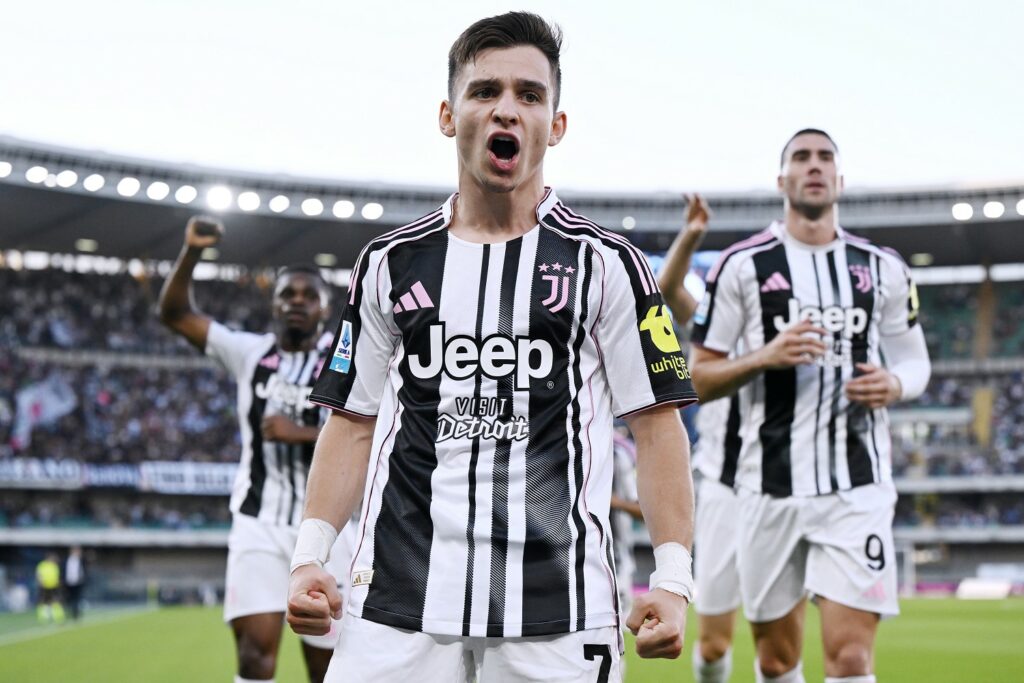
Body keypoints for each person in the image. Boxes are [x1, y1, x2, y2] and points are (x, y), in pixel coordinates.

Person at [286, 12, 699, 683]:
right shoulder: (389, 262)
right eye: (485, 91)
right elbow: (352, 422)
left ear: (555, 125)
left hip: (559, 610)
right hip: (396, 604)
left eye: (529, 95)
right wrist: (310, 555)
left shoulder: (608, 265)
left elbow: (657, 428)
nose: (507, 108)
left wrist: (674, 579)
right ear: (448, 116)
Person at [689, 129, 932, 683]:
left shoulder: (882, 268)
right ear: (782, 180)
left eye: (825, 158)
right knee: (777, 661)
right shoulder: (741, 266)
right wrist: (764, 357)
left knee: (850, 659)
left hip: (857, 487)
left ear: (840, 180)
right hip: (766, 489)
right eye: (801, 157)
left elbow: (915, 362)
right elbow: (696, 379)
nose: (814, 166)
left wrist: (895, 385)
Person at [158, 220, 355, 683]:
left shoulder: (347, 358)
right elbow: (175, 313)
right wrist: (191, 252)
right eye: (288, 294)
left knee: (328, 667)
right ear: (274, 304)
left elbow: (368, 434)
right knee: (253, 657)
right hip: (258, 523)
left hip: (329, 530)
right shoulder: (249, 353)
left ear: (326, 307)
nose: (297, 302)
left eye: (308, 295)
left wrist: (300, 433)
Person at [659, 195, 745, 683]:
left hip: (794, 489)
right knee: (712, 645)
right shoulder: (722, 335)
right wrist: (690, 237)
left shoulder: (799, 328)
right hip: (723, 489)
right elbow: (668, 289)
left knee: (780, 647)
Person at [35, 552, 64, 624]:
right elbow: (39, 574)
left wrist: (58, 582)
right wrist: (40, 581)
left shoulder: (54, 565)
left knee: (55, 601)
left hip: (54, 586)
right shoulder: (42, 565)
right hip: (44, 586)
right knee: (43, 601)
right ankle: (43, 616)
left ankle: (57, 616)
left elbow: (57, 575)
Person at [64, 545, 86, 621]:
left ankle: (76, 613)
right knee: (69, 598)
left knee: (77, 598)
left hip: (78, 582)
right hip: (68, 582)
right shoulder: (67, 560)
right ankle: (70, 612)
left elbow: (83, 571)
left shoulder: (81, 560)